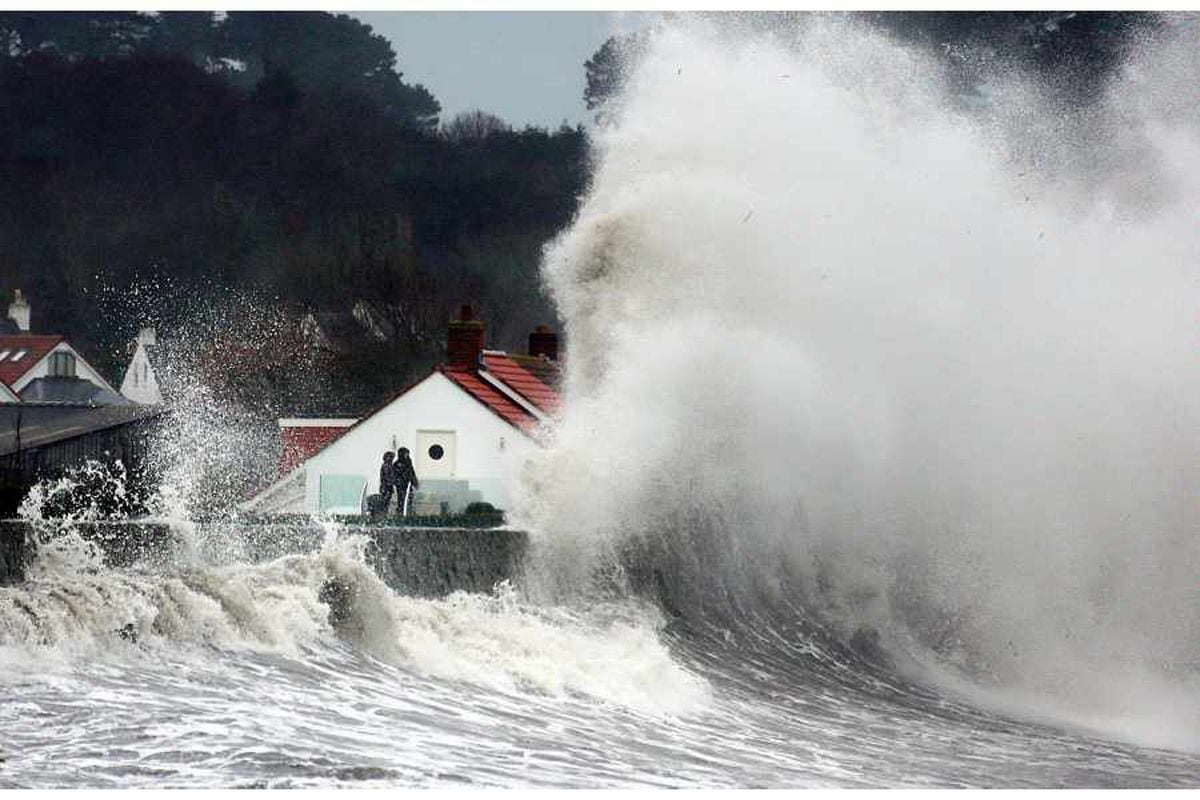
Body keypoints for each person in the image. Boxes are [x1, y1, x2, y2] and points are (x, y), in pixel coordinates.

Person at [393, 447, 419, 517]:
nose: (407, 455)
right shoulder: (397, 464)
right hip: (401, 485)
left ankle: (408, 512)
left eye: (407, 453)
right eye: (405, 453)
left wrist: (414, 481)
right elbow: (396, 475)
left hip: (408, 485)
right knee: (401, 500)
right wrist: (399, 481)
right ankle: (400, 513)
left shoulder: (408, 463)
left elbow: (411, 473)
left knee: (409, 498)